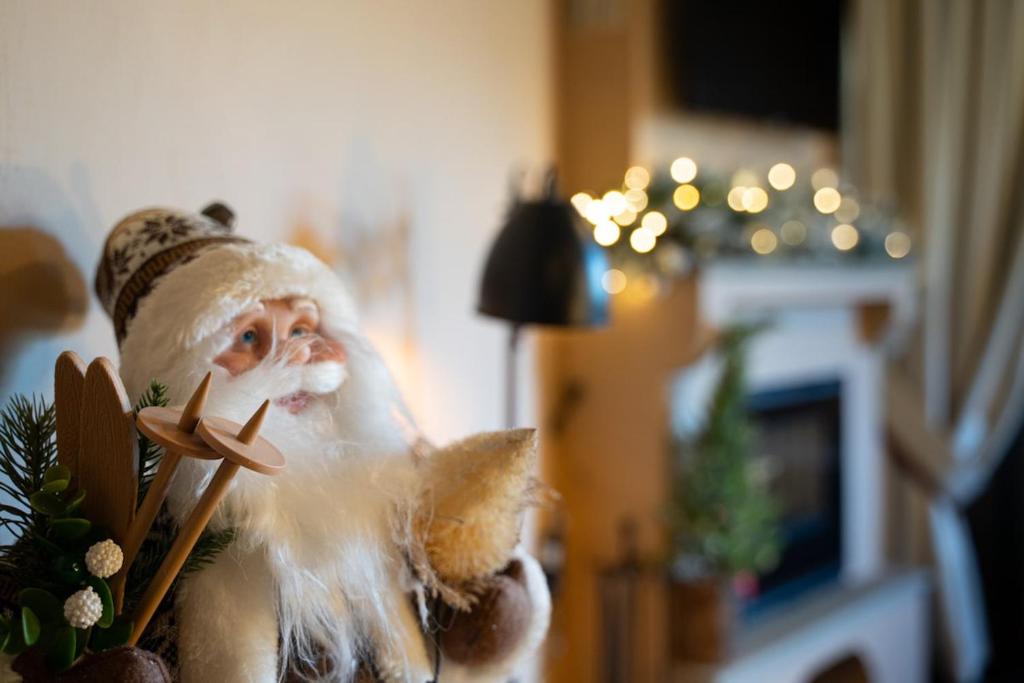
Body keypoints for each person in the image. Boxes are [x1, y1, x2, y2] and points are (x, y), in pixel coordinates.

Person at [95, 204, 550, 682]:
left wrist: (497, 610)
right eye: (248, 335)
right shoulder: (149, 524)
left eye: (302, 328)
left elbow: (458, 616)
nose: (293, 355)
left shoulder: (388, 481)